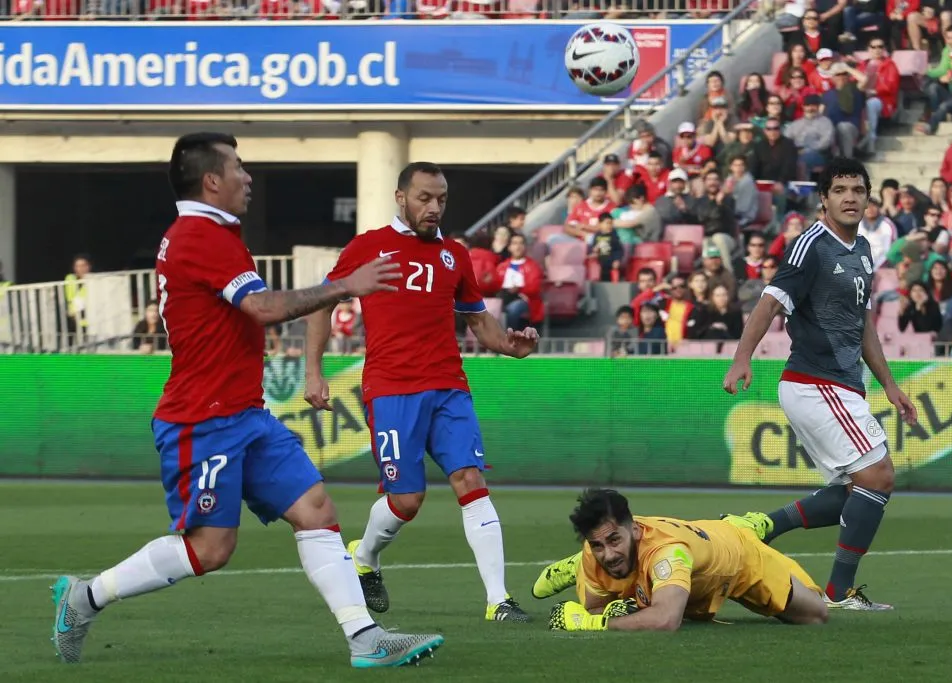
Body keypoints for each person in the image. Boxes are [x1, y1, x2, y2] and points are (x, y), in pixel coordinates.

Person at [49, 133, 443, 669]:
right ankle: (84, 597)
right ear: (212, 180)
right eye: (238, 167)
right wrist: (343, 286)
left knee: (317, 511)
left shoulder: (209, 233)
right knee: (211, 549)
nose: (248, 176)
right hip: (202, 420)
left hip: (244, 413)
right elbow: (261, 306)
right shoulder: (200, 236)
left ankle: (364, 637)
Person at [303, 161, 537, 624]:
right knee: (407, 500)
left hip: (449, 386)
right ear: (401, 197)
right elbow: (321, 303)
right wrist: (314, 371)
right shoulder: (369, 247)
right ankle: (365, 555)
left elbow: (480, 324)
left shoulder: (455, 254)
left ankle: (498, 601)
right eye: (425, 198)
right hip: (391, 390)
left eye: (442, 199)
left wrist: (512, 347)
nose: (434, 208)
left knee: (470, 481)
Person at [722, 157, 919, 611]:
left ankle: (759, 527)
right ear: (824, 200)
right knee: (879, 475)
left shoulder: (864, 249)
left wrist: (889, 385)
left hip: (844, 384)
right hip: (813, 381)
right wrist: (741, 358)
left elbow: (863, 322)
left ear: (869, 197)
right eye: (840, 190)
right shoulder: (810, 245)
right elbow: (771, 301)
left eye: (857, 189)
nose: (850, 197)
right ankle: (838, 593)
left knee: (856, 490)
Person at [535, 488, 828, 632]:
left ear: (634, 529)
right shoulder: (596, 552)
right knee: (636, 586)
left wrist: (594, 624)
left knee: (814, 615)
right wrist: (604, 612)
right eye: (597, 545)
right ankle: (577, 566)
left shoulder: (667, 553)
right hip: (694, 556)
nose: (607, 555)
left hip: (737, 559)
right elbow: (598, 607)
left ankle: (748, 525)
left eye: (614, 540)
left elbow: (665, 620)